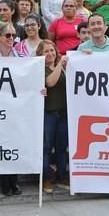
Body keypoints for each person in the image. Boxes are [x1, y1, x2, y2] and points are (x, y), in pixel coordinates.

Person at [0, 22, 23, 195]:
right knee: (1, 144)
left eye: (13, 35)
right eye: (7, 35)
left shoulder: (23, 58)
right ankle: (5, 181)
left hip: (17, 108)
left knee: (14, 143)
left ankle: (14, 181)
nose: (11, 38)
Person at [39, 40, 68, 194]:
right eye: (46, 51)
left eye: (52, 50)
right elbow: (50, 82)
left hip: (63, 113)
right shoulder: (40, 69)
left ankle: (62, 176)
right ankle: (47, 178)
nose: (50, 54)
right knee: (46, 148)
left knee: (62, 147)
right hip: (48, 113)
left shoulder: (63, 67)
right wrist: (59, 65)